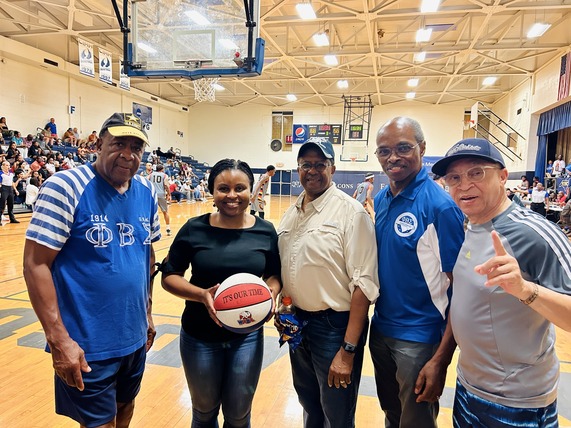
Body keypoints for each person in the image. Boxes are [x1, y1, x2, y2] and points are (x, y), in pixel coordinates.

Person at [23, 112, 160, 428]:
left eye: (136, 147)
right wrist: (59, 340)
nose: (128, 155)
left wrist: (148, 314)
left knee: (125, 408)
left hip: (133, 335)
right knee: (99, 423)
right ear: (98, 144)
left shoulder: (146, 191)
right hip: (86, 342)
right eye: (119, 144)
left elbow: (146, 254)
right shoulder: (66, 186)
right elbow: (35, 264)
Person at [431, 137, 571, 427]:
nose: (464, 185)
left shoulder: (534, 233)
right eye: (454, 178)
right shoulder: (471, 226)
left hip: (518, 403)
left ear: (504, 176)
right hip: (469, 388)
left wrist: (525, 290)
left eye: (476, 173)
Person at [161, 158, 281, 427]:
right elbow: (169, 277)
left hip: (246, 336)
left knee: (239, 415)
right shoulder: (194, 228)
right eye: (223, 188)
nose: (231, 196)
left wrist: (270, 293)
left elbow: (274, 276)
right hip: (199, 334)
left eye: (240, 188)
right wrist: (202, 294)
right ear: (212, 192)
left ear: (251, 191)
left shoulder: (265, 231)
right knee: (204, 412)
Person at [276, 138, 380, 428]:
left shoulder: (352, 213)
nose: (312, 170)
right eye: (306, 164)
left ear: (332, 168)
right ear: (298, 169)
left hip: (335, 328)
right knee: (309, 404)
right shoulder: (291, 212)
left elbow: (364, 285)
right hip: (298, 324)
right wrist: (283, 308)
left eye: (320, 164)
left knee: (337, 412)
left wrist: (347, 351)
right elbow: (288, 267)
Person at [370, 117, 465, 428]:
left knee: (416, 423)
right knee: (392, 416)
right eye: (384, 151)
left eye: (403, 148)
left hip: (420, 338)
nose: (393, 158)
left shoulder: (441, 207)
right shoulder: (383, 199)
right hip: (381, 330)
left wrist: (441, 358)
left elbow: (462, 290)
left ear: (422, 148)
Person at [149, 163, 171, 236]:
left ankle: (150, 228)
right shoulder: (165, 175)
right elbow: (166, 185)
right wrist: (169, 194)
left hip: (152, 194)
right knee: (165, 212)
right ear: (162, 169)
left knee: (151, 212)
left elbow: (146, 180)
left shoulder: (151, 174)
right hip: (161, 194)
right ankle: (168, 228)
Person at [0, 160, 20, 224]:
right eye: (6, 165)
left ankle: (12, 218)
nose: (8, 166)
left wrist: (15, 190)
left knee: (11, 204)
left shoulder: (11, 173)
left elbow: (12, 182)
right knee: (2, 205)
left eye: (9, 165)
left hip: (10, 189)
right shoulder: (1, 173)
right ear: (2, 166)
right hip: (3, 188)